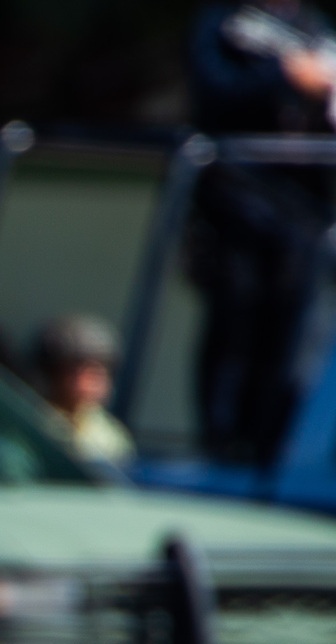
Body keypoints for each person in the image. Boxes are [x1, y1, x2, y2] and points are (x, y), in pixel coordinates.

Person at [188, 1, 336, 464]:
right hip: (237, 192)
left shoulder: (316, 27)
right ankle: (222, 443)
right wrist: (283, 75)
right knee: (236, 319)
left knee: (289, 333)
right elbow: (213, 88)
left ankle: (267, 444)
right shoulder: (225, 20)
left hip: (305, 207)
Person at [32, 313, 136, 467]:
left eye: (102, 371)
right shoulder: (32, 420)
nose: (95, 382)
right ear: (55, 373)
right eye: (84, 371)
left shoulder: (109, 435)